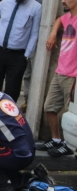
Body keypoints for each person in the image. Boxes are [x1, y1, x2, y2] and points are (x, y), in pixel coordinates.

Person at [36, 0, 77, 157]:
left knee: (70, 115)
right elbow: (59, 20)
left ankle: (69, 146)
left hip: (73, 76)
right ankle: (56, 140)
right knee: (49, 107)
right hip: (60, 72)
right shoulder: (68, 18)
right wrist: (53, 33)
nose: (63, 1)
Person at [0, 0, 42, 102]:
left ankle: (7, 116)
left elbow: (34, 34)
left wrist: (27, 55)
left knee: (12, 91)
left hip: (18, 56)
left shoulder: (36, 7)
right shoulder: (4, 3)